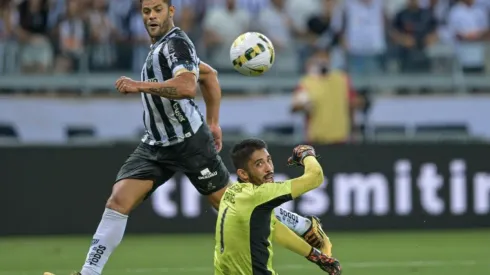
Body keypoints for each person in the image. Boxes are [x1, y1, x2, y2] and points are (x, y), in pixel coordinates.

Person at [44, 1, 331, 275]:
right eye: (146, 11)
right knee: (118, 201)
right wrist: (215, 122)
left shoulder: (177, 44)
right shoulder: (160, 46)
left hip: (190, 143)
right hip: (155, 144)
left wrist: (138, 85)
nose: (151, 16)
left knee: (234, 207)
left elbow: (186, 86)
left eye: (157, 10)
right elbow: (209, 76)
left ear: (170, 11)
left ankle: (302, 224)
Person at [215, 139, 341, 275]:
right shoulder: (258, 195)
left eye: (268, 160)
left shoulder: (233, 193)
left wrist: (316, 256)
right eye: (259, 164)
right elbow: (315, 177)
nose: (268, 168)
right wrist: (306, 154)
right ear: (243, 174)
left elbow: (273, 227)